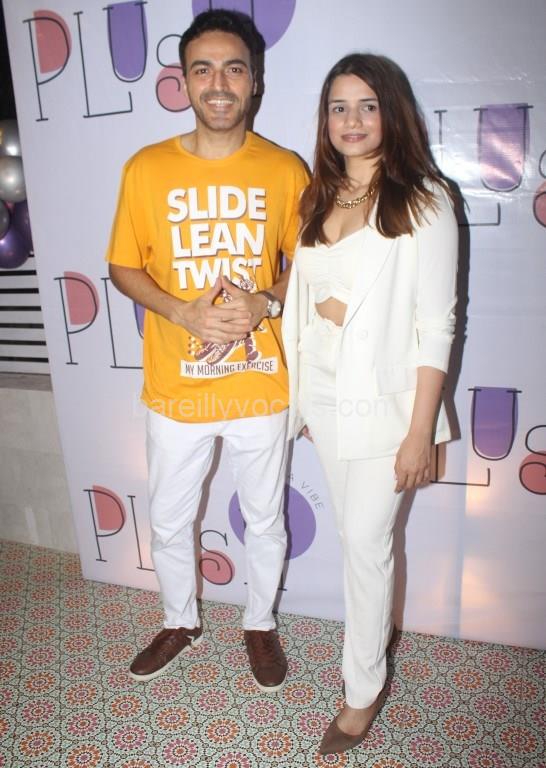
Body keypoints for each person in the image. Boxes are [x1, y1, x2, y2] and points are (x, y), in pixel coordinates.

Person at [106, 10, 308, 692]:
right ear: (184, 81)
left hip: (260, 385)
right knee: (168, 518)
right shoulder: (147, 168)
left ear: (255, 81)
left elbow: (310, 265)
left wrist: (266, 301)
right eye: (203, 69)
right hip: (176, 386)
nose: (218, 83)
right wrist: (180, 310)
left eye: (233, 68)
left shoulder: (284, 169)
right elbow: (123, 265)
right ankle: (180, 620)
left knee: (265, 518)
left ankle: (260, 623)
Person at [282, 53, 458, 754]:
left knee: (364, 540)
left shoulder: (425, 200)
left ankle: (363, 689)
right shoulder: (318, 197)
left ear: (392, 111)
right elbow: (308, 298)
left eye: (366, 105)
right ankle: (372, 647)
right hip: (325, 398)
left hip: (388, 407)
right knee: (359, 542)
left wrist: (421, 432)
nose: (351, 120)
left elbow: (437, 324)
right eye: (338, 107)